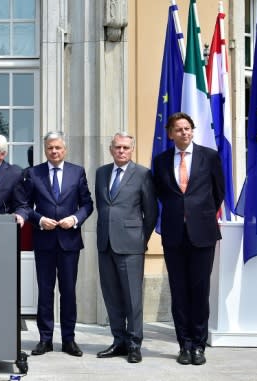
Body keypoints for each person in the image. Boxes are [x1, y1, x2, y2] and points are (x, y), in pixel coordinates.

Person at [152, 112, 225, 366]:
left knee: (199, 290)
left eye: (187, 128)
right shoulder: (160, 161)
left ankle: (198, 345)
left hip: (202, 234)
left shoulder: (209, 157)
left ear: (192, 131)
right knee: (179, 292)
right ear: (170, 134)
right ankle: (183, 344)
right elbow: (161, 194)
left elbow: (218, 193)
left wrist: (198, 215)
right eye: (178, 129)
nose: (184, 133)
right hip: (174, 235)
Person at [15, 131, 94, 357]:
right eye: (50, 148)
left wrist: (75, 219)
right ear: (45, 149)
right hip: (44, 242)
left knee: (68, 292)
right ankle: (45, 339)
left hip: (69, 242)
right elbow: (23, 205)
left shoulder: (77, 172)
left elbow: (87, 204)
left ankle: (69, 339)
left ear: (65, 149)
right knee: (46, 291)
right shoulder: (33, 173)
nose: (54, 151)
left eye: (58, 147)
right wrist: (39, 219)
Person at [95, 132, 157, 363]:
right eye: (117, 147)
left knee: (132, 298)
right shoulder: (101, 173)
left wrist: (141, 238)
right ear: (111, 149)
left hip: (131, 245)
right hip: (105, 243)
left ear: (132, 150)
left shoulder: (142, 174)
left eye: (125, 148)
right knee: (111, 296)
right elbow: (103, 206)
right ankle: (118, 341)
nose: (121, 151)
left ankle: (134, 344)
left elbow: (151, 212)